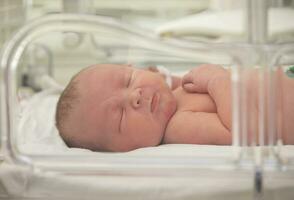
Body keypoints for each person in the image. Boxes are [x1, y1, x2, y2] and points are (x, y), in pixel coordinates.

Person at [55, 64, 294, 152]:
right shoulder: (179, 126)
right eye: (121, 116)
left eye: (128, 79)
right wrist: (217, 81)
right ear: (121, 150)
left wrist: (172, 81)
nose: (135, 96)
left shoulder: (175, 95)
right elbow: (248, 134)